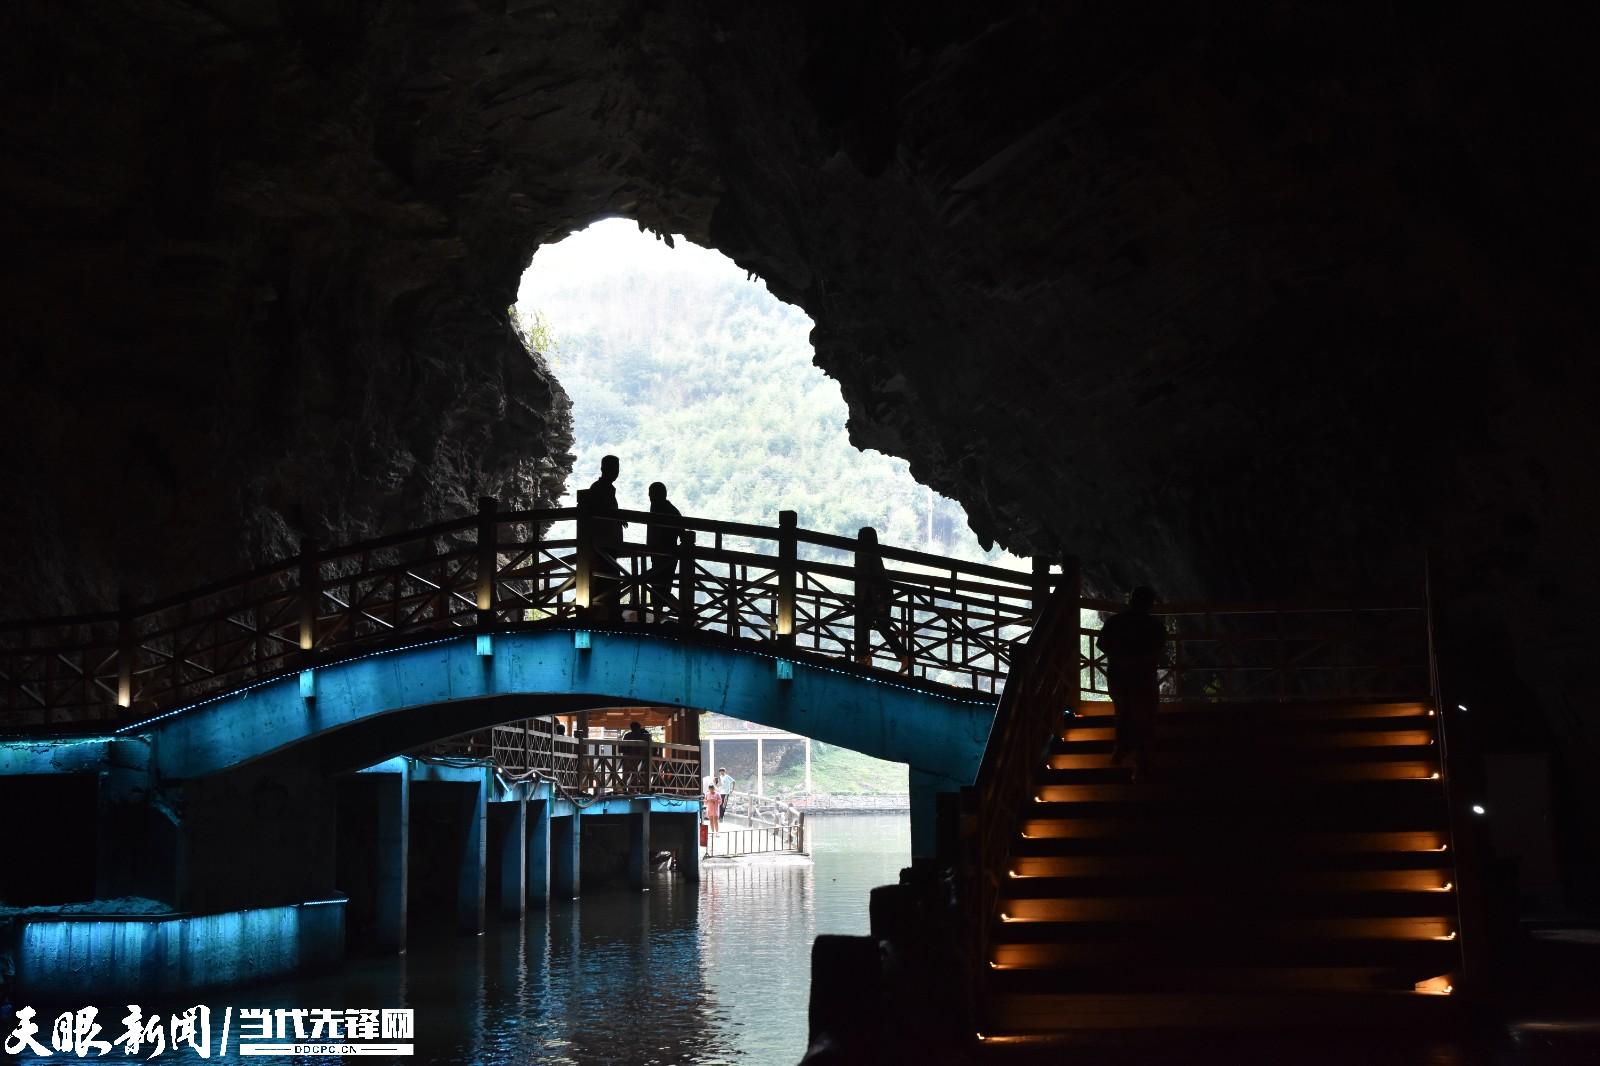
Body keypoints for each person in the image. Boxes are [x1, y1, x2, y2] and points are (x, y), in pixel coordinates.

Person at [1096, 586, 1166, 780]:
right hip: (1143, 678)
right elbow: (1158, 650)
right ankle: (1142, 763)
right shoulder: (1155, 625)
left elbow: (1101, 644)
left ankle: (1121, 750)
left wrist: (1121, 658)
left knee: (1123, 712)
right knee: (1146, 718)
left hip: (1119, 676)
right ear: (1150, 604)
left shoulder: (1115, 622)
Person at [855, 527, 911, 673]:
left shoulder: (862, 552)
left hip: (875, 595)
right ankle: (902, 657)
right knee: (874, 625)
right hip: (879, 594)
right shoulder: (873, 552)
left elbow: (868, 577)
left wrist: (878, 601)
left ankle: (864, 658)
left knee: (869, 624)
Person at [585, 455, 627, 620]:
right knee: (608, 578)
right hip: (603, 545)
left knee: (608, 578)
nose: (616, 472)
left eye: (617, 469)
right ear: (603, 469)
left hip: (605, 544)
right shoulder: (600, 489)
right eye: (613, 468)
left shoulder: (602, 488)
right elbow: (599, 513)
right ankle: (606, 615)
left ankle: (604, 614)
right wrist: (616, 517)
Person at [646, 481, 682, 618]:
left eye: (651, 494)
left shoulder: (658, 508)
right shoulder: (669, 509)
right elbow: (682, 532)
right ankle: (684, 614)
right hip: (666, 557)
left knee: (659, 590)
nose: (649, 496)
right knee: (661, 590)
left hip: (663, 557)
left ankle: (685, 614)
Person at [623, 719, 651, 790]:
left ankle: (628, 788)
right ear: (639, 727)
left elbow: (623, 749)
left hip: (629, 758)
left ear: (631, 728)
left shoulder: (627, 736)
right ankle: (642, 789)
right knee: (641, 773)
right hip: (642, 758)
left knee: (629, 773)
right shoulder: (644, 735)